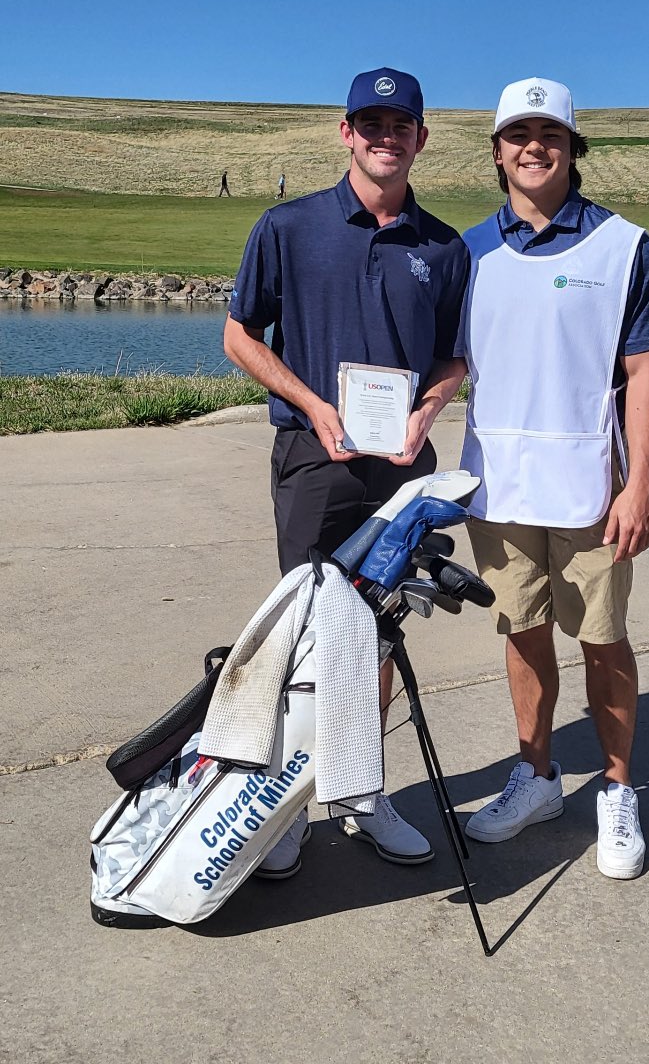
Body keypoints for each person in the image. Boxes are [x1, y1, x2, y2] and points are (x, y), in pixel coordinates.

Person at [224, 68, 469, 879]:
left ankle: (361, 795)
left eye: (400, 125)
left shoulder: (443, 246)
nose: (384, 137)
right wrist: (315, 406)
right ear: (345, 132)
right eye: (370, 123)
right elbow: (240, 337)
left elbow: (450, 359)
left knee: (379, 636)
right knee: (305, 636)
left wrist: (425, 415)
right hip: (314, 460)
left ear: (421, 137)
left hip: (401, 472)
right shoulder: (287, 227)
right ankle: (287, 808)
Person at [457, 78, 649, 880]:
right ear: (498, 151)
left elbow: (644, 373)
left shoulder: (624, 247)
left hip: (592, 487)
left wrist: (640, 483)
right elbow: (450, 365)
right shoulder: (469, 250)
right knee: (521, 630)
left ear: (573, 147)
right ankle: (536, 775)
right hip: (499, 488)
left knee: (604, 637)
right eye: (519, 134)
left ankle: (616, 787)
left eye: (550, 133)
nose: (534, 147)